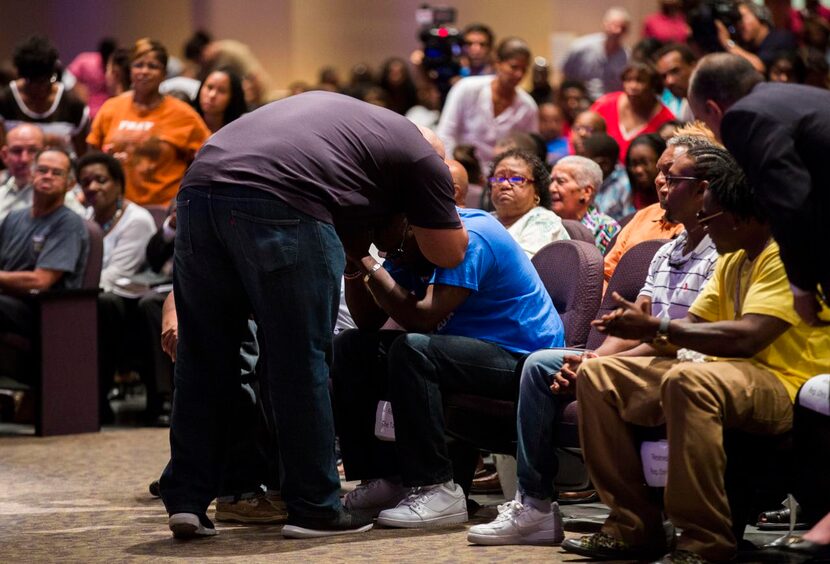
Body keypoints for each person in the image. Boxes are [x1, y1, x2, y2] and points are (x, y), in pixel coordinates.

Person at [159, 91, 468, 540]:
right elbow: (450, 250)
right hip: (281, 201)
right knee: (299, 361)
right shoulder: (424, 158)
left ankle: (187, 499)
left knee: (204, 358)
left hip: (197, 192)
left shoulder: (358, 130)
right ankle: (315, 508)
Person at [563, 145, 830, 564]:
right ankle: (634, 525)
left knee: (686, 379)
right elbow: (691, 332)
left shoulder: (782, 254)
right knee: (600, 378)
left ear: (741, 215)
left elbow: (749, 337)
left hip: (785, 382)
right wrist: (625, 343)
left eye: (709, 217)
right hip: (731, 374)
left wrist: (660, 327)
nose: (702, 225)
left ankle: (704, 540)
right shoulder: (732, 257)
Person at [467, 135, 719, 549]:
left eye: (670, 176)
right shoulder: (665, 251)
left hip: (685, 356)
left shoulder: (721, 251)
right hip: (647, 352)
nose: (659, 183)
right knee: (542, 364)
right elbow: (634, 324)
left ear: (703, 187)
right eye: (659, 174)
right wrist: (591, 357)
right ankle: (534, 505)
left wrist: (597, 365)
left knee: (597, 373)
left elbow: (672, 335)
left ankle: (635, 519)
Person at [333, 206, 564, 529]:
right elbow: (368, 321)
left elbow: (422, 317)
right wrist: (354, 262)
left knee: (413, 349)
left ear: (409, 225)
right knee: (352, 346)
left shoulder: (470, 237)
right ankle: (388, 479)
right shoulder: (408, 244)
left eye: (393, 250)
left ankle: (438, 488)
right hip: (462, 351)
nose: (391, 258)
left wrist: (368, 259)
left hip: (522, 357)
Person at [688, 53, 830, 326]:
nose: (714, 135)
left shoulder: (743, 117)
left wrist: (801, 286)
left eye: (704, 122)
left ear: (714, 109)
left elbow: (788, 201)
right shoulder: (798, 95)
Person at [88, 38, 210, 207]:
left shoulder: (184, 114)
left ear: (164, 74)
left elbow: (206, 161)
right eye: (138, 65)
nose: (144, 71)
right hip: (118, 209)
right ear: (130, 70)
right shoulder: (111, 108)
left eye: (152, 66)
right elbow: (93, 157)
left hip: (163, 210)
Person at [0, 148, 88, 340]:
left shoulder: (68, 223)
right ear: (32, 175)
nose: (47, 176)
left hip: (41, 310)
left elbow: (41, 280)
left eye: (56, 173)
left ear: (70, 183)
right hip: (7, 299)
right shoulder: (14, 217)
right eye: (42, 170)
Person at [437, 37, 538, 173]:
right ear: (498, 63)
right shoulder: (466, 88)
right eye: (514, 67)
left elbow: (529, 151)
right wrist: (452, 171)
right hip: (460, 171)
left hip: (503, 179)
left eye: (524, 69)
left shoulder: (528, 106)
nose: (519, 74)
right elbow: (446, 134)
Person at [0, 36, 89, 156]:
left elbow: (81, 154)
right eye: (32, 82)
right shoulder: (5, 101)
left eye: (44, 81)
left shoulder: (72, 104)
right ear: (22, 76)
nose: (40, 88)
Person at [591, 61, 675, 164]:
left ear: (653, 85)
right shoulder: (605, 104)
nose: (633, 86)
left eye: (640, 81)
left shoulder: (666, 119)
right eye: (628, 80)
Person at [488, 149, 568, 258]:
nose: (505, 185)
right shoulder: (486, 220)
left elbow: (518, 268)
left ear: (536, 191)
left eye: (516, 178)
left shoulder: (544, 221)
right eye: (499, 178)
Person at [549, 156, 620, 254]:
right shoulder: (543, 221)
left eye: (561, 181)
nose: (552, 188)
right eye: (551, 181)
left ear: (586, 192)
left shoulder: (608, 230)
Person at [562, 7, 632, 101]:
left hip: (611, 106)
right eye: (614, 25)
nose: (617, 31)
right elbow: (565, 77)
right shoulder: (580, 48)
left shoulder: (628, 58)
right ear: (605, 24)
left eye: (622, 28)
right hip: (581, 103)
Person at [715, 1, 798, 73]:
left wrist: (728, 43)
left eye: (742, 17)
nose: (739, 25)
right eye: (736, 21)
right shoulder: (746, 45)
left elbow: (759, 67)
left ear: (759, 16)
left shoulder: (780, 37)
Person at [581, 133, 634, 221]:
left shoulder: (624, 184)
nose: (582, 165)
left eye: (586, 162)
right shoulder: (587, 180)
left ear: (604, 165)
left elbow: (629, 219)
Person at [67, 38, 118, 119]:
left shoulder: (117, 66)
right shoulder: (86, 61)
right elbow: (67, 76)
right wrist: (77, 88)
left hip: (109, 112)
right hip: (86, 113)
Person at [193, 67, 247, 134]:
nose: (212, 95)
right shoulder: (186, 119)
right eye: (209, 87)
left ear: (233, 97)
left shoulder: (239, 131)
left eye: (221, 91)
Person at [654, 43, 697, 122]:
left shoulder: (717, 101)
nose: (669, 81)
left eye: (675, 71)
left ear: (694, 67)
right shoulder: (686, 110)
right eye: (664, 76)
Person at [626, 133, 667, 209]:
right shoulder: (627, 195)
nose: (638, 170)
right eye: (634, 164)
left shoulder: (671, 199)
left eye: (645, 163)